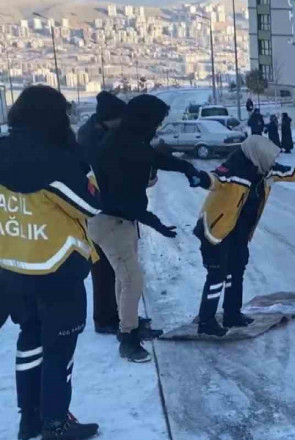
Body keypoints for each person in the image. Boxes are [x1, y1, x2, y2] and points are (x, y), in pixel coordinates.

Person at [0, 86, 101, 440]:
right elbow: (90, 204)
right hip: (57, 273)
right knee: (59, 352)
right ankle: (56, 423)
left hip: (12, 269)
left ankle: (29, 420)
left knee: (29, 340)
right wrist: (78, 159)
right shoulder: (57, 161)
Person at [89, 94, 203, 363]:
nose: (158, 128)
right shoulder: (118, 146)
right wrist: (154, 222)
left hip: (120, 220)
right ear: (145, 119)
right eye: (157, 122)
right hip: (110, 221)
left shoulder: (130, 139)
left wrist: (186, 167)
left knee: (124, 278)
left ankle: (124, 324)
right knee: (131, 279)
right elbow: (121, 199)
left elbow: (153, 158)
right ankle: (127, 339)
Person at [190, 136, 295, 336]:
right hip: (215, 232)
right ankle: (206, 323)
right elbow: (215, 178)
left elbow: (291, 173)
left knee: (236, 272)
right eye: (270, 156)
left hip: (239, 231)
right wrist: (200, 178)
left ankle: (232, 315)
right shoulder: (232, 169)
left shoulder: (265, 169)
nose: (272, 161)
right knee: (216, 277)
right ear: (258, 154)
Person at [76, 91, 126, 335]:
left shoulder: (99, 131)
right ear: (109, 118)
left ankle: (116, 314)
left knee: (114, 268)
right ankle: (105, 320)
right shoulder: (91, 138)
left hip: (108, 208)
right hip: (98, 212)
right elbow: (98, 173)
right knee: (103, 268)